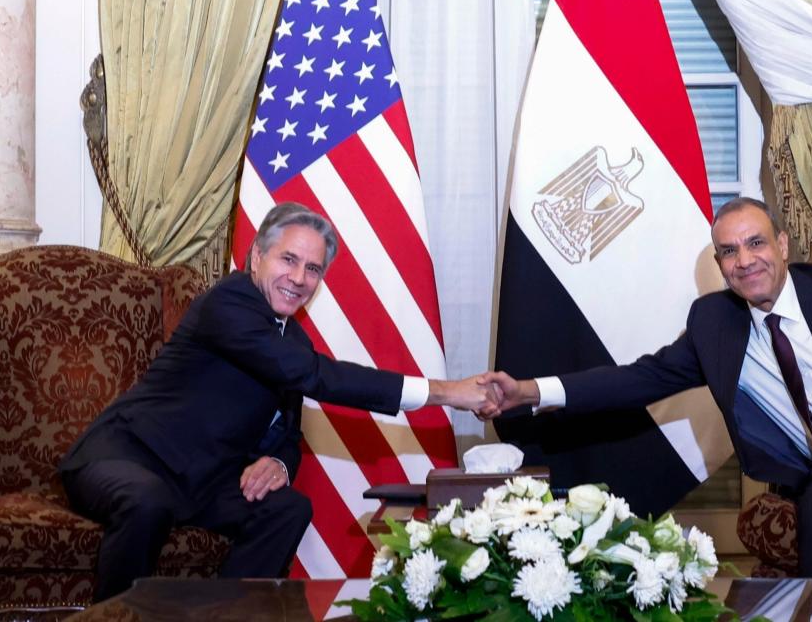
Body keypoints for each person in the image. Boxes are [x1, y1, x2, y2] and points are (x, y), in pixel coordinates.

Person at [481, 197, 812, 612]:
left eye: (755, 243)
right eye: (730, 252)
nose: (745, 260)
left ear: (781, 243)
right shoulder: (715, 324)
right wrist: (530, 391)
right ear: (719, 263)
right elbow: (639, 379)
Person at [61, 202, 492, 601]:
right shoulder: (228, 304)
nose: (299, 278)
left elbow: (287, 428)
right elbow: (312, 375)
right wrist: (445, 391)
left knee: (287, 508)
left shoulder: (291, 339)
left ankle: (228, 615)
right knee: (146, 501)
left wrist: (280, 464)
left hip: (198, 481)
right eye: (288, 260)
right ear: (256, 258)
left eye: (313, 269)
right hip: (126, 457)